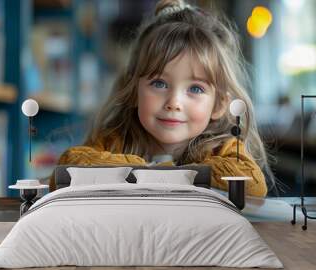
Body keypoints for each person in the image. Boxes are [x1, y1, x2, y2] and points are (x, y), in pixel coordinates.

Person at [49, 0, 277, 197]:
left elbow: (253, 185)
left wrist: (157, 173)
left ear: (218, 105)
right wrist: (156, 171)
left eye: (195, 89)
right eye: (159, 83)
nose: (174, 103)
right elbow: (68, 167)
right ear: (134, 90)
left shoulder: (222, 148)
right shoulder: (116, 140)